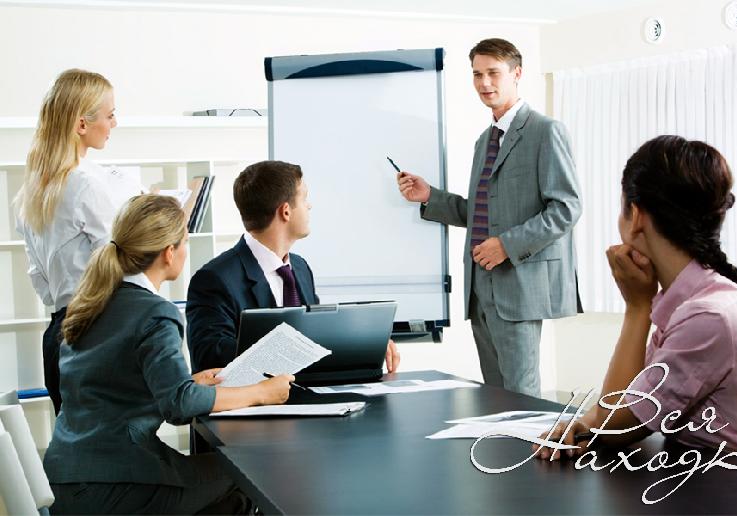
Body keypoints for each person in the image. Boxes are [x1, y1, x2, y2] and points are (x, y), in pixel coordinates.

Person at [536, 135, 737, 466]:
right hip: (731, 472)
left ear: (636, 216)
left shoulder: (709, 317)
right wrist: (581, 426)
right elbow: (630, 401)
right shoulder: (692, 301)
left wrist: (637, 309)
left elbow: (617, 425)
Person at [43, 194, 293, 514]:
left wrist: (189, 382)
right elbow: (180, 405)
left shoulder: (92, 303)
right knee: (247, 471)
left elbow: (111, 385)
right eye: (185, 242)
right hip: (116, 484)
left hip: (66, 481)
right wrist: (261, 392)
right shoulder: (156, 313)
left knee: (226, 488)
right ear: (169, 252)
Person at [397, 38, 581, 397]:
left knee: (522, 397)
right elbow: (484, 212)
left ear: (517, 74)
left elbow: (566, 208)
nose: (484, 83)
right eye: (477, 74)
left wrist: (506, 246)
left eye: (493, 73)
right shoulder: (485, 140)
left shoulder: (545, 131)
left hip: (518, 285)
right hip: (480, 288)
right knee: (495, 398)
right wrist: (430, 196)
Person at [187, 160, 400, 373]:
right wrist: (290, 350)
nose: (309, 206)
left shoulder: (300, 267)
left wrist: (365, 343)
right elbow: (210, 356)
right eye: (304, 198)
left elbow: (315, 335)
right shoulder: (214, 279)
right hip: (257, 394)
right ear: (286, 211)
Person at [15, 69, 135, 413]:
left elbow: (41, 283)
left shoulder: (32, 191)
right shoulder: (86, 185)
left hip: (57, 333)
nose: (114, 124)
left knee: (72, 439)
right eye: (110, 115)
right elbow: (116, 267)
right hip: (96, 331)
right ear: (82, 124)